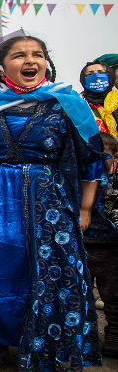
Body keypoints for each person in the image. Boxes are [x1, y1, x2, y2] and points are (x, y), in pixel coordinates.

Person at [0, 35, 103, 371]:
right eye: (20, 55)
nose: (30, 61)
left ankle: (44, 345)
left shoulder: (66, 102)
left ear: (46, 63)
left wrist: (84, 208)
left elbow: (93, 160)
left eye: (37, 55)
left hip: (48, 200)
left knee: (45, 269)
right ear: (1, 66)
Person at [83, 132, 118, 358]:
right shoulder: (82, 178)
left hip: (110, 246)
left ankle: (113, 331)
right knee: (83, 292)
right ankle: (85, 334)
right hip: (83, 244)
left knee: (113, 293)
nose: (98, 160)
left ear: (114, 158)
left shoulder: (115, 181)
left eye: (103, 155)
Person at [81, 60, 118, 136]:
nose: (96, 76)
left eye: (101, 72)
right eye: (89, 74)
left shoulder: (116, 100)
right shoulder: (80, 103)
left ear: (110, 76)